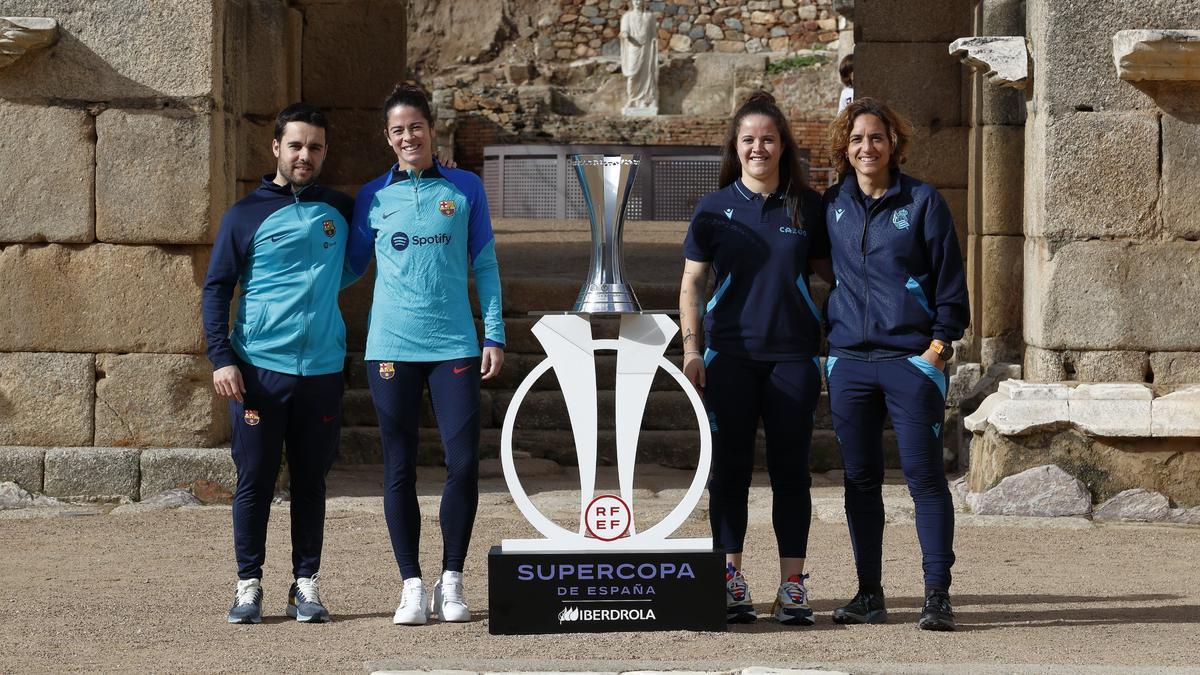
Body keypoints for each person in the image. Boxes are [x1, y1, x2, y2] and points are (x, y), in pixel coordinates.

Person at [347, 83, 505, 626]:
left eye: (415, 126)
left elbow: (483, 263)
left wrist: (495, 332)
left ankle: (452, 580)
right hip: (389, 345)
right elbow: (344, 268)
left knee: (462, 464)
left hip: (454, 345)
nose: (408, 136)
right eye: (397, 130)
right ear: (386, 138)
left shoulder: (465, 188)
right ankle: (411, 583)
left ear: (430, 128)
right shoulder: (372, 196)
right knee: (399, 467)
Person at [679, 91, 832, 625]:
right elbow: (692, 282)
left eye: (768, 138)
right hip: (730, 358)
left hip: (793, 359)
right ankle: (730, 579)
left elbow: (837, 281)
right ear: (736, 147)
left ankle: (793, 586)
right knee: (730, 473)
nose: (758, 147)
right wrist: (692, 349)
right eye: (749, 140)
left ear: (783, 144)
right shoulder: (713, 209)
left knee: (792, 475)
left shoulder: (809, 208)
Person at [202, 103, 356, 624]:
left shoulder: (340, 207)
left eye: (315, 147)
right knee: (256, 480)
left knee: (311, 482)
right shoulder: (244, 215)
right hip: (258, 370)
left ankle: (305, 583)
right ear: (276, 148)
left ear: (325, 152)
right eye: (295, 145)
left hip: (322, 369)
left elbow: (384, 222)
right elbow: (216, 289)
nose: (304, 155)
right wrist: (222, 358)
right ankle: (249, 583)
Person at [822, 97, 969, 631]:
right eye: (857, 138)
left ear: (894, 144)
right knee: (859, 480)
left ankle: (937, 594)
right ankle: (869, 594)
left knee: (925, 478)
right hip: (850, 363)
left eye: (877, 138)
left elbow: (950, 282)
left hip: (911, 360)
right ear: (845, 145)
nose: (867, 147)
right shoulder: (832, 204)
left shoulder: (923, 202)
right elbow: (820, 264)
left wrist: (937, 348)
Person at [620, 0, 659, 112]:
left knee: (647, 74)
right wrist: (625, 35)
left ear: (643, 2)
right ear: (631, 2)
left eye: (639, 0)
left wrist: (654, 43)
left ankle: (646, 100)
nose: (637, 2)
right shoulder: (627, 17)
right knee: (632, 75)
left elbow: (653, 34)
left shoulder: (649, 16)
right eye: (635, 0)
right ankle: (632, 99)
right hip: (633, 48)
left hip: (646, 49)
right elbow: (624, 31)